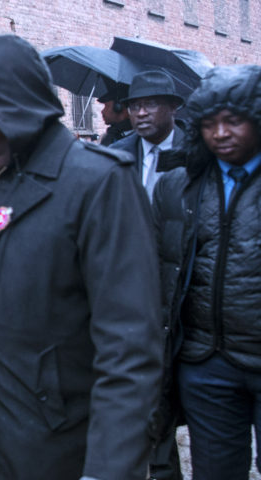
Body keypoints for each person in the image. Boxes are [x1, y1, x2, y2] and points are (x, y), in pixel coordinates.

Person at [0, 35, 163, 480]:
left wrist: (107, 470)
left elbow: (128, 352)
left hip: (48, 438)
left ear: (5, 105)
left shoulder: (98, 184)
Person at [152, 64, 261, 480]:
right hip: (205, 362)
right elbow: (157, 270)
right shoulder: (178, 185)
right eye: (210, 124)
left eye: (233, 121)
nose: (221, 133)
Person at [110, 70, 185, 199]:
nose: (141, 113)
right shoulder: (117, 155)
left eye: (151, 104)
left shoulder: (195, 151)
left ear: (173, 107)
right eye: (134, 106)